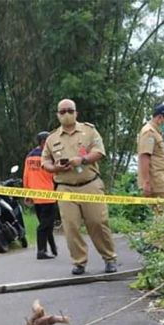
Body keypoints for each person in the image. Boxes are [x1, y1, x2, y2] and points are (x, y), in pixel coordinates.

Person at [41, 99, 117, 275]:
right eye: (62, 112)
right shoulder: (52, 138)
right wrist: (55, 168)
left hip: (90, 184)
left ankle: (109, 257)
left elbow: (100, 151)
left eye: (70, 110)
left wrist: (81, 160)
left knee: (98, 222)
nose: (66, 114)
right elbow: (44, 161)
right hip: (65, 187)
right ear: (57, 115)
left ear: (76, 113)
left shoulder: (89, 131)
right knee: (71, 226)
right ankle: (79, 262)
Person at [23, 131, 58, 259]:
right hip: (48, 196)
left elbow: (26, 176)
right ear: (44, 142)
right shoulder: (48, 158)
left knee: (46, 224)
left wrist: (27, 194)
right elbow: (54, 175)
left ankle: (53, 248)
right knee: (45, 225)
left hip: (35, 196)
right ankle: (41, 251)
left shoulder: (30, 156)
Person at [137, 104, 164, 214]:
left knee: (161, 217)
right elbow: (144, 157)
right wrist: (146, 182)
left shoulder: (156, 133)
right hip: (157, 183)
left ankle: (159, 232)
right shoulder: (149, 132)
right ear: (160, 118)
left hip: (162, 181)